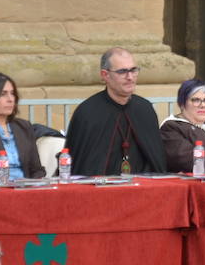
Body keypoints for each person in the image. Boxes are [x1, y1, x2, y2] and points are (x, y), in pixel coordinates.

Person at [65, 48, 167, 176]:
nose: (130, 77)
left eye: (133, 70)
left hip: (141, 186)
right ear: (105, 75)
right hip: (101, 190)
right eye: (122, 71)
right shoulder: (87, 113)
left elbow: (157, 162)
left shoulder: (145, 109)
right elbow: (81, 166)